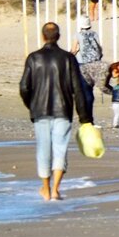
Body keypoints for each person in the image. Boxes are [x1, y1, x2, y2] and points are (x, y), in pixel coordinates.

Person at [20, 21, 93, 202]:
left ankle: (45, 188)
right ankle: (55, 190)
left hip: (40, 112)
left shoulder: (33, 58)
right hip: (63, 110)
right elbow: (78, 88)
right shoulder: (68, 58)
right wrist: (85, 118)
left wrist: (32, 105)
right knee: (60, 150)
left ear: (43, 36)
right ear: (58, 37)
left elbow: (24, 87)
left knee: (43, 150)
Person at [70, 14, 106, 115]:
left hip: (83, 65)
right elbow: (99, 48)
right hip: (94, 64)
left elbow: (73, 50)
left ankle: (86, 114)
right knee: (90, 89)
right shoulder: (95, 34)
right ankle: (89, 113)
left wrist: (72, 53)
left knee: (84, 89)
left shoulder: (77, 35)